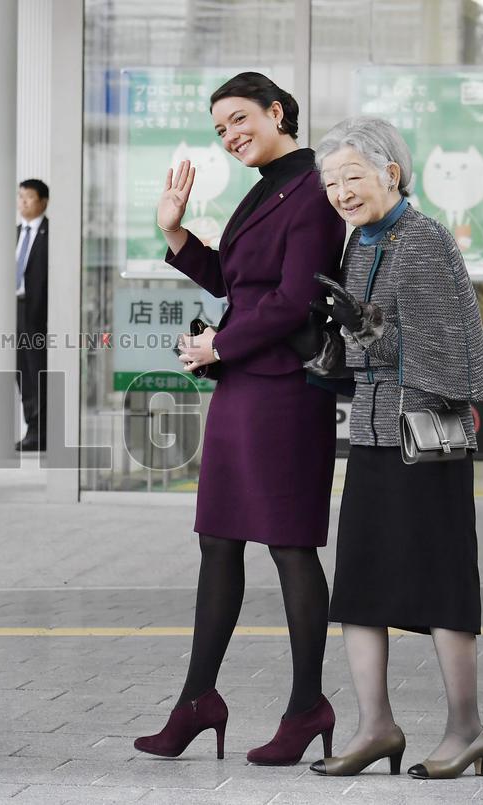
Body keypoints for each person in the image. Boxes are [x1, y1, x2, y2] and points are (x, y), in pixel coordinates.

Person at [134, 72, 346, 766]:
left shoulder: (312, 189)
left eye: (238, 119)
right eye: (220, 128)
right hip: (245, 387)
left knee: (289, 546)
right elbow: (237, 280)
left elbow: (295, 300)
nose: (229, 136)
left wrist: (219, 343)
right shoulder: (266, 188)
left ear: (276, 110)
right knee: (218, 541)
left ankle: (307, 704)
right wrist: (175, 231)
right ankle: (197, 700)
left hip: (284, 390)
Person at [309, 117, 483, 779]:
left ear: (391, 171)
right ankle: (376, 725)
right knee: (358, 586)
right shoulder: (360, 243)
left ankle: (467, 727)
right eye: (331, 181)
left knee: (443, 585)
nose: (341, 191)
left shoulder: (423, 240)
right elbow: (375, 345)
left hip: (427, 440)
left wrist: (366, 330)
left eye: (352, 176)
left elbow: (446, 356)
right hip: (372, 435)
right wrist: (343, 329)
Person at [15, 178, 49, 451]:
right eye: (20, 197)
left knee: (38, 371)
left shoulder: (52, 234)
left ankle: (42, 430)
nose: (22, 202)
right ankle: (32, 429)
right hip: (15, 310)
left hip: (39, 313)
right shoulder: (14, 233)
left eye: (28, 197)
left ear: (43, 202)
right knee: (21, 371)